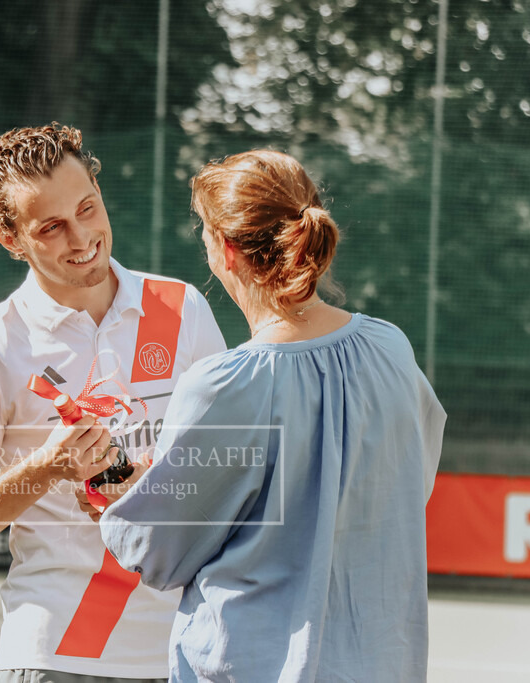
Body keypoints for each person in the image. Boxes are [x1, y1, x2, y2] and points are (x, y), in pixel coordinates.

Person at [99, 150, 447, 682]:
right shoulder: (391, 348)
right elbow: (405, 485)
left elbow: (155, 552)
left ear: (226, 249)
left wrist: (124, 491)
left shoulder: (224, 385)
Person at [0, 123, 227, 682]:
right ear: (10, 239)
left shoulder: (182, 309)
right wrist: (47, 467)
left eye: (87, 208)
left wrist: (151, 490)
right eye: (52, 227)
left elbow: (234, 474)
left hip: (182, 647)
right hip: (53, 653)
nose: (82, 236)